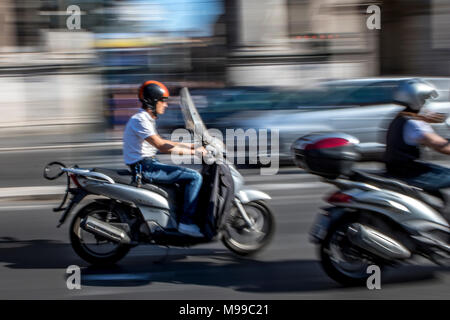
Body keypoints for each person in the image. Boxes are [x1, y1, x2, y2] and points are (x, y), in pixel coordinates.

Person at [123, 80, 207, 238]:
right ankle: (187, 223)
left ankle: (177, 217)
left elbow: (165, 142)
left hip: (148, 164)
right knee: (194, 177)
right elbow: (161, 146)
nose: (166, 105)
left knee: (185, 178)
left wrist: (192, 146)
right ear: (153, 101)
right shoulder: (140, 120)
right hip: (145, 168)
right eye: (163, 101)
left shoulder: (146, 119)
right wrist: (194, 153)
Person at [384, 79, 450, 193]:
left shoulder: (400, 117)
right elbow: (442, 146)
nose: (427, 102)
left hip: (398, 169)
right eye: (425, 99)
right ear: (417, 100)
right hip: (410, 173)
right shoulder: (415, 124)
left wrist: (426, 119)